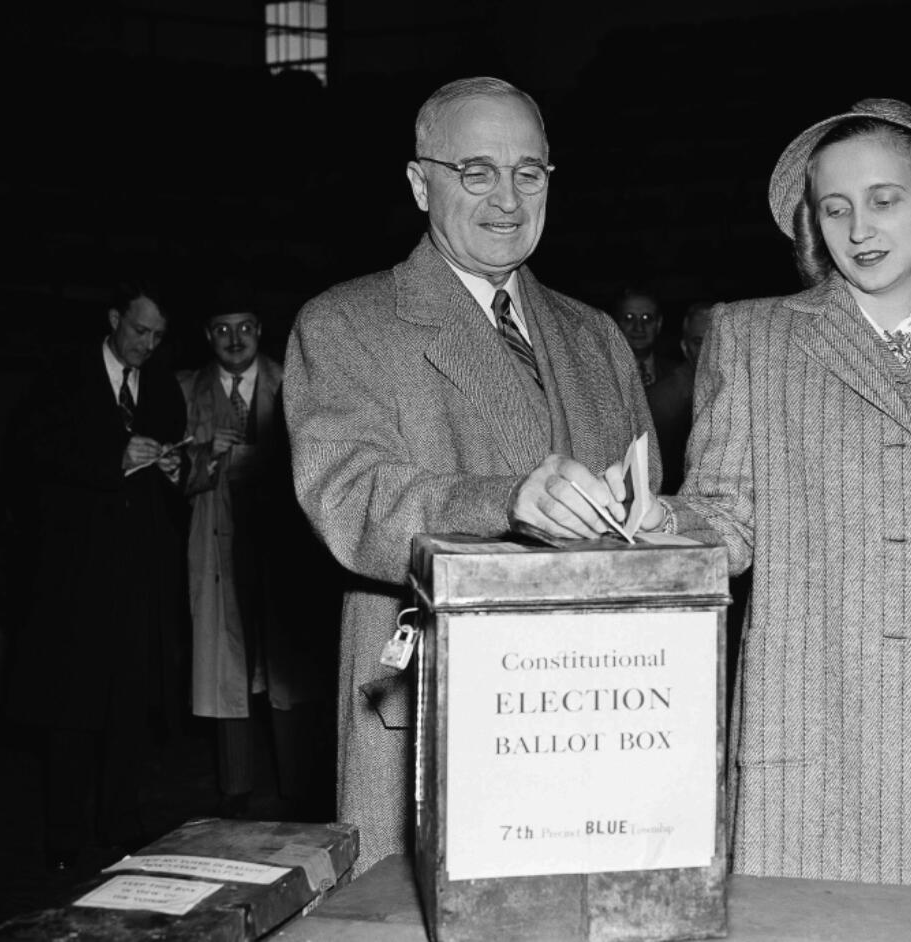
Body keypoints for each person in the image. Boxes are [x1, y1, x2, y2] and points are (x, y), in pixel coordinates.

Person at [615, 98, 911, 891]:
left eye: (885, 200)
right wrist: (655, 517)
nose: (860, 229)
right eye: (835, 208)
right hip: (832, 718)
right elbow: (727, 515)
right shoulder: (754, 338)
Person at [283, 76, 657, 875]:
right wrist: (504, 504)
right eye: (476, 170)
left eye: (529, 172)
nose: (507, 198)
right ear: (421, 184)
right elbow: (352, 499)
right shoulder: (343, 323)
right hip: (435, 723)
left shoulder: (597, 338)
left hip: (600, 722)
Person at [4, 280, 187, 869]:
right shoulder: (60, 376)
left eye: (158, 336)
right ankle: (64, 837)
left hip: (138, 575)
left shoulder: (161, 384)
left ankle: (121, 825)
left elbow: (169, 480)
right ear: (113, 319)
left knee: (129, 705)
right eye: (139, 331)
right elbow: (27, 455)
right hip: (72, 576)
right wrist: (113, 460)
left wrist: (174, 468)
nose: (147, 345)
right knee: (72, 709)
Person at [179, 288, 335, 820]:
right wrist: (204, 456)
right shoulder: (184, 392)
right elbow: (165, 479)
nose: (234, 340)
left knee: (288, 666)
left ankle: (298, 789)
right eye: (222, 329)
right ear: (207, 336)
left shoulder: (292, 383)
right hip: (218, 548)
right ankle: (236, 789)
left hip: (282, 547)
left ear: (260, 330)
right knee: (225, 666)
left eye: (244, 327)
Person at [647, 301, 712, 492]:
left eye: (715, 338)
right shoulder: (665, 402)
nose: (710, 348)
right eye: (699, 342)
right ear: (685, 347)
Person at [614, 288, 680, 388]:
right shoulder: (602, 372)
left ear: (658, 324)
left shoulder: (677, 375)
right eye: (629, 318)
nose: (639, 327)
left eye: (647, 318)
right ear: (617, 324)